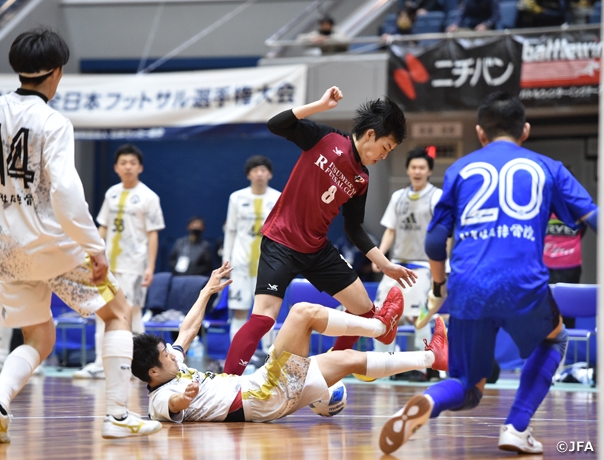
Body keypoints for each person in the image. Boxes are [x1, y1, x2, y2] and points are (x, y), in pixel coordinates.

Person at [0, 27, 162, 443]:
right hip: (54, 245)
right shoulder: (53, 121)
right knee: (118, 312)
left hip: (8, 248)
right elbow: (67, 192)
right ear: (56, 72)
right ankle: (118, 415)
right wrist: (94, 247)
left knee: (38, 335)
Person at [379, 91, 598, 455]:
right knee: (554, 339)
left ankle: (426, 404)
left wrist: (437, 286)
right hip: (522, 282)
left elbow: (435, 242)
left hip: (467, 286)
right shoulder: (548, 166)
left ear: (480, 133)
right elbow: (592, 218)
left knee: (467, 385)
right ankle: (515, 427)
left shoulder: (459, 169)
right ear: (524, 130)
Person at [223, 86, 418, 376]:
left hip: (317, 249)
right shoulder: (325, 139)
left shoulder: (362, 178)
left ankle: (326, 373)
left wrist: (386, 265)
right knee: (264, 317)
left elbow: (354, 228)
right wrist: (320, 105)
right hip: (281, 242)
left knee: (364, 309)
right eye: (385, 148)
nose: (383, 156)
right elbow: (276, 124)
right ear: (370, 135)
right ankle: (227, 386)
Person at [131, 262, 448, 423]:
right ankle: (379, 327)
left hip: (266, 396)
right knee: (302, 313)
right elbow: (171, 407)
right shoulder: (161, 398)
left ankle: (432, 359)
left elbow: (186, 330)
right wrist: (183, 399)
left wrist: (206, 291)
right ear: (153, 374)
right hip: (259, 395)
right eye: (165, 357)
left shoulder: (172, 368)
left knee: (349, 359)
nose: (172, 356)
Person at [74, 143, 165, 379]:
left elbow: (153, 233)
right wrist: (91, 254)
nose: (128, 167)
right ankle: (99, 362)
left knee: (132, 313)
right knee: (100, 310)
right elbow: (102, 227)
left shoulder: (149, 197)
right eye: (123, 163)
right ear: (116, 167)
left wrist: (151, 266)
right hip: (108, 263)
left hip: (134, 264)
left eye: (132, 163)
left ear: (140, 167)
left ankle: (137, 364)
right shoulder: (111, 193)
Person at [372, 147, 442, 357]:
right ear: (408, 170)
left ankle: (425, 362)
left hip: (423, 265)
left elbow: (444, 235)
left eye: (422, 167)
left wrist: (443, 266)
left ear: (429, 171)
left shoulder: (437, 197)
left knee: (419, 315)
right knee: (383, 313)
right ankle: (381, 360)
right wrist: (381, 256)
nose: (417, 171)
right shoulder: (398, 197)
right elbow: (390, 230)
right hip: (396, 265)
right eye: (414, 167)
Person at [222, 155, 280, 343]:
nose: (260, 174)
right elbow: (230, 232)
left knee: (266, 312)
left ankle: (266, 359)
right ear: (249, 175)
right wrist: (226, 262)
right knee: (239, 310)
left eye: (263, 170)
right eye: (255, 170)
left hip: (268, 265)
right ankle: (237, 358)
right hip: (240, 265)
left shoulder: (278, 198)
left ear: (270, 174)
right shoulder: (236, 198)